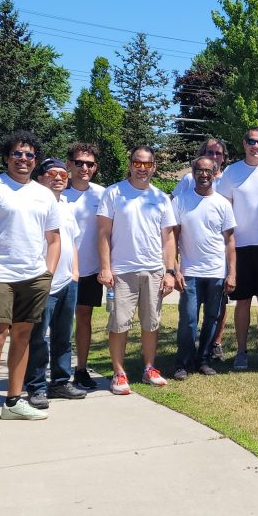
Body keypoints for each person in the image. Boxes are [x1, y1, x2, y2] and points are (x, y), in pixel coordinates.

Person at [0, 130, 60, 437]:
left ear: (35, 160)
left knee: (23, 337)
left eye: (29, 155)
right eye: (17, 154)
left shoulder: (44, 194)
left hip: (34, 277)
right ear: (7, 157)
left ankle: (13, 402)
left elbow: (54, 239)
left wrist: (47, 274)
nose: (23, 159)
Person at [97, 145, 177, 395]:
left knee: (151, 322)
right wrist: (105, 267)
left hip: (153, 270)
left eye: (147, 164)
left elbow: (168, 238)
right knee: (119, 323)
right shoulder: (113, 193)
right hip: (122, 271)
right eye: (137, 163)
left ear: (154, 167)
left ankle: (149, 368)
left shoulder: (161, 197)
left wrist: (170, 271)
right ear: (130, 164)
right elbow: (103, 233)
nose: (142, 168)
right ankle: (119, 373)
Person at [216, 127, 258, 371]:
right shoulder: (231, 172)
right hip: (240, 246)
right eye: (252, 141)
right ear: (244, 143)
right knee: (242, 301)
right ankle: (241, 352)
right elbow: (224, 210)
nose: (256, 146)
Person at [25, 158, 86, 409]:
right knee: (38, 338)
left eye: (62, 173)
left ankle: (60, 382)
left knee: (63, 336)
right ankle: (36, 387)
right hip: (43, 282)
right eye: (52, 174)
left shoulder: (66, 205)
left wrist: (75, 273)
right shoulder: (34, 204)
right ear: (40, 178)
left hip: (67, 282)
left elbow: (72, 241)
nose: (58, 178)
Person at [172, 155, 236, 379]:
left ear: (215, 173)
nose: (204, 175)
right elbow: (172, 239)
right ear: (193, 173)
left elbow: (230, 242)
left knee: (212, 318)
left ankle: (204, 360)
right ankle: (182, 363)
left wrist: (232, 273)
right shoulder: (180, 201)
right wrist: (175, 269)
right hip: (189, 272)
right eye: (199, 170)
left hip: (216, 272)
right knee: (188, 320)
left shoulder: (222, 203)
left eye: (209, 171)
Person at [63, 143, 105, 390]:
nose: (84, 168)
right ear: (69, 164)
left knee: (84, 318)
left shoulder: (102, 194)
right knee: (57, 322)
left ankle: (81, 369)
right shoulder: (57, 192)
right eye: (79, 163)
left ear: (95, 167)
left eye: (89, 164)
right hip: (60, 269)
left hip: (90, 269)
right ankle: (56, 372)